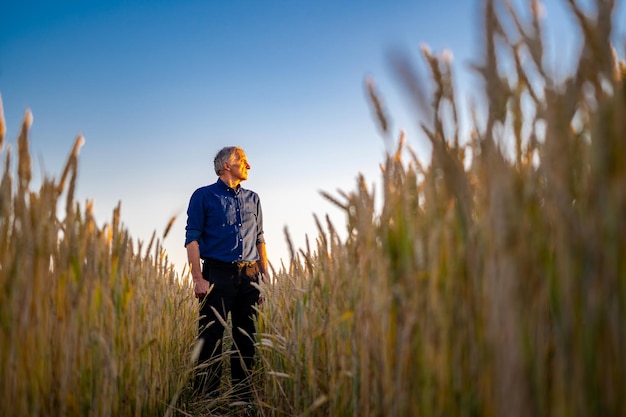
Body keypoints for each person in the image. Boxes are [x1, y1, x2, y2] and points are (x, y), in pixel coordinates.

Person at [184, 146, 268, 401]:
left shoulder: (254, 198)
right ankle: (206, 400)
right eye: (243, 161)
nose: (248, 166)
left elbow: (260, 240)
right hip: (217, 274)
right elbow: (192, 239)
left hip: (250, 275)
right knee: (210, 338)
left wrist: (264, 278)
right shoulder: (203, 196)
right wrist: (198, 278)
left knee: (247, 337)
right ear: (226, 166)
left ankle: (242, 398)